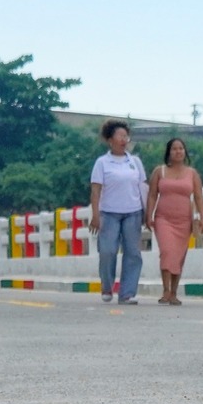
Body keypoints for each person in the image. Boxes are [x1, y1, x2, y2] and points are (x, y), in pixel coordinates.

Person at [88, 120, 147, 304]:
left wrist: (147, 212)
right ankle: (107, 286)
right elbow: (96, 190)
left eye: (125, 136)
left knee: (133, 253)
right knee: (107, 251)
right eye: (120, 136)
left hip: (133, 212)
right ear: (110, 139)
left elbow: (142, 187)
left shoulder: (134, 162)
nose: (124, 140)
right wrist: (96, 215)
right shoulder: (102, 163)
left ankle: (127, 293)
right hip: (109, 213)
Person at [144, 137, 203, 306]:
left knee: (179, 256)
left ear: (185, 152)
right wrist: (148, 215)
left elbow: (199, 197)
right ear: (168, 152)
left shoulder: (192, 173)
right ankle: (165, 290)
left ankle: (174, 292)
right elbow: (152, 195)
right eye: (174, 149)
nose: (178, 151)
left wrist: (202, 218)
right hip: (163, 219)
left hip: (184, 220)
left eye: (181, 148)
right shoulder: (160, 171)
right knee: (167, 251)